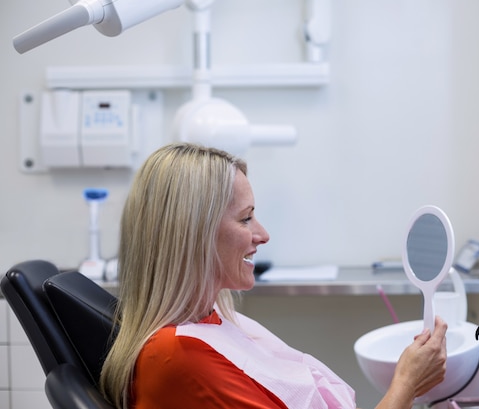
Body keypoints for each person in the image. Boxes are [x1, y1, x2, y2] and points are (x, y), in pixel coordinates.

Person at [100, 142, 447, 409]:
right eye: (245, 218)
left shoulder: (213, 321)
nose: (262, 235)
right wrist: (407, 384)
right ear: (194, 233)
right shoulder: (179, 354)